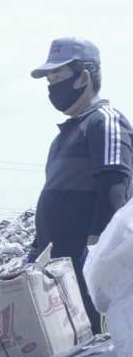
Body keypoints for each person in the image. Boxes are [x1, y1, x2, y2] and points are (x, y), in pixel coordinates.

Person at [29, 37, 133, 333]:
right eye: (49, 79)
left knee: (98, 341)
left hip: (88, 269)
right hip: (60, 270)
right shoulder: (64, 136)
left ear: (84, 77)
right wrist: (35, 253)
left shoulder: (105, 122)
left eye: (58, 76)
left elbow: (115, 185)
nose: (52, 86)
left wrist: (98, 249)